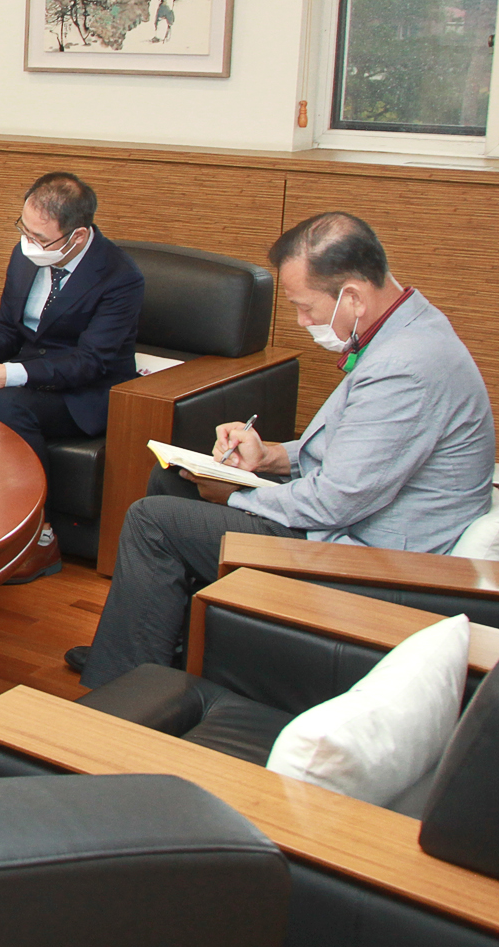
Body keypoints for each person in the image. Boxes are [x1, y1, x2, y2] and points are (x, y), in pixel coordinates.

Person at [73, 211, 494, 687]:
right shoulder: (405, 325)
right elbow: (357, 449)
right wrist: (268, 457)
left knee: (154, 522)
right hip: (357, 519)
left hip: (375, 559)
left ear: (352, 296)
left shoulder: (407, 366)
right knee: (172, 479)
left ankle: (122, 684)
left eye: (305, 306)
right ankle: (152, 646)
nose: (302, 321)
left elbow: (336, 500)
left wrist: (235, 495)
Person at [0, 172, 142, 583]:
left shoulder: (119, 276)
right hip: (25, 373)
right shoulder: (27, 253)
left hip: (81, 393)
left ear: (78, 236)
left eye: (40, 238)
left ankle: (37, 537)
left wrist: (10, 374)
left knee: (10, 402)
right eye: (24, 230)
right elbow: (8, 329)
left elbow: (91, 361)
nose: (29, 243)